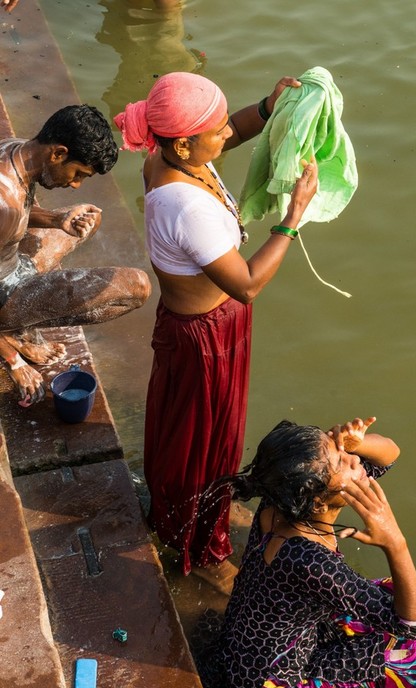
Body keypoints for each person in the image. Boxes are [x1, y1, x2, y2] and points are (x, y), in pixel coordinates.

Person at [114, 72, 317, 585]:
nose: (228, 134)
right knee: (205, 438)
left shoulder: (167, 157)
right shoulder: (185, 206)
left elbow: (232, 131)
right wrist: (293, 218)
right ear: (183, 140)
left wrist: (268, 108)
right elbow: (246, 284)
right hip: (206, 335)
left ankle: (185, 509)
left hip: (200, 324)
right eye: (217, 130)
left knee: (187, 428)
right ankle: (194, 542)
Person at [208, 416, 416, 688]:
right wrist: (395, 541)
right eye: (342, 461)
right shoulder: (310, 560)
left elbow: (391, 453)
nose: (354, 461)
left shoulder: (281, 502)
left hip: (246, 656)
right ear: (318, 504)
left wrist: (357, 441)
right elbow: (412, 626)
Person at [0, 104, 151, 406]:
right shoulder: (4, 206)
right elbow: (10, 214)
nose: (75, 184)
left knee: (88, 218)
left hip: (11, 259)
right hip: (4, 294)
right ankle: (10, 333)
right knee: (137, 287)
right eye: (78, 173)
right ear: (58, 153)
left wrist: (58, 220)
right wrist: (13, 359)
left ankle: (19, 325)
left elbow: (19, 214)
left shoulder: (13, 149)